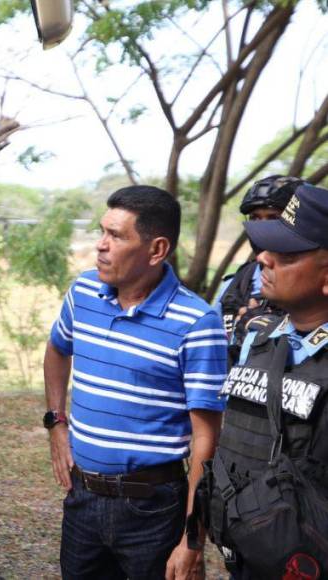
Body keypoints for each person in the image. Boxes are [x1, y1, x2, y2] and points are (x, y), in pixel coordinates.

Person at [43, 185, 228, 579]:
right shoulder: (83, 293)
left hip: (154, 508)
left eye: (116, 236)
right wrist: (56, 423)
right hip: (83, 498)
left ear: (157, 250)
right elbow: (58, 349)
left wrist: (191, 541)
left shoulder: (197, 323)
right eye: (102, 231)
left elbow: (206, 441)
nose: (101, 246)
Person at [198, 184, 328, 578]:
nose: (263, 260)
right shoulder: (258, 338)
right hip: (252, 551)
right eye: (266, 248)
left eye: (286, 255)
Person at [215, 175, 309, 361]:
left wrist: (275, 329)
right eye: (255, 218)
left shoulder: (315, 283)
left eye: (274, 218)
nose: (261, 228)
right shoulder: (234, 285)